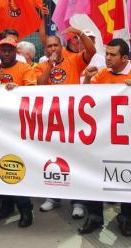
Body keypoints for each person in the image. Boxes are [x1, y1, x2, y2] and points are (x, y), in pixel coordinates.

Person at [80, 38, 131, 236]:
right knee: (94, 176)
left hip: (126, 140)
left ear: (125, 58)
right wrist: (86, 80)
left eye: (112, 55)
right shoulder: (101, 74)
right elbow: (85, 101)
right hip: (102, 137)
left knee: (127, 179)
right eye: (106, 53)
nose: (107, 58)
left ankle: (125, 216)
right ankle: (94, 216)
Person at [35, 28, 96, 218]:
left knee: (75, 161)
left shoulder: (74, 61)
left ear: (61, 47)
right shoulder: (41, 66)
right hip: (51, 121)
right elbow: (40, 85)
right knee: (53, 160)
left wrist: (80, 33)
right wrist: (50, 67)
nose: (52, 48)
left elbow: (91, 52)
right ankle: (53, 197)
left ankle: (78, 201)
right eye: (49, 46)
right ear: (45, 50)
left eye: (55, 45)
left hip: (73, 120)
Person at [0, 36, 36, 226]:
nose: (6, 54)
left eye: (10, 50)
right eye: (3, 50)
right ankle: (7, 205)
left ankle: (26, 209)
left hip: (18, 128)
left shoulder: (25, 69)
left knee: (18, 168)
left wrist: (18, 89)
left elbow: (33, 91)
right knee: (2, 167)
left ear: (16, 52)